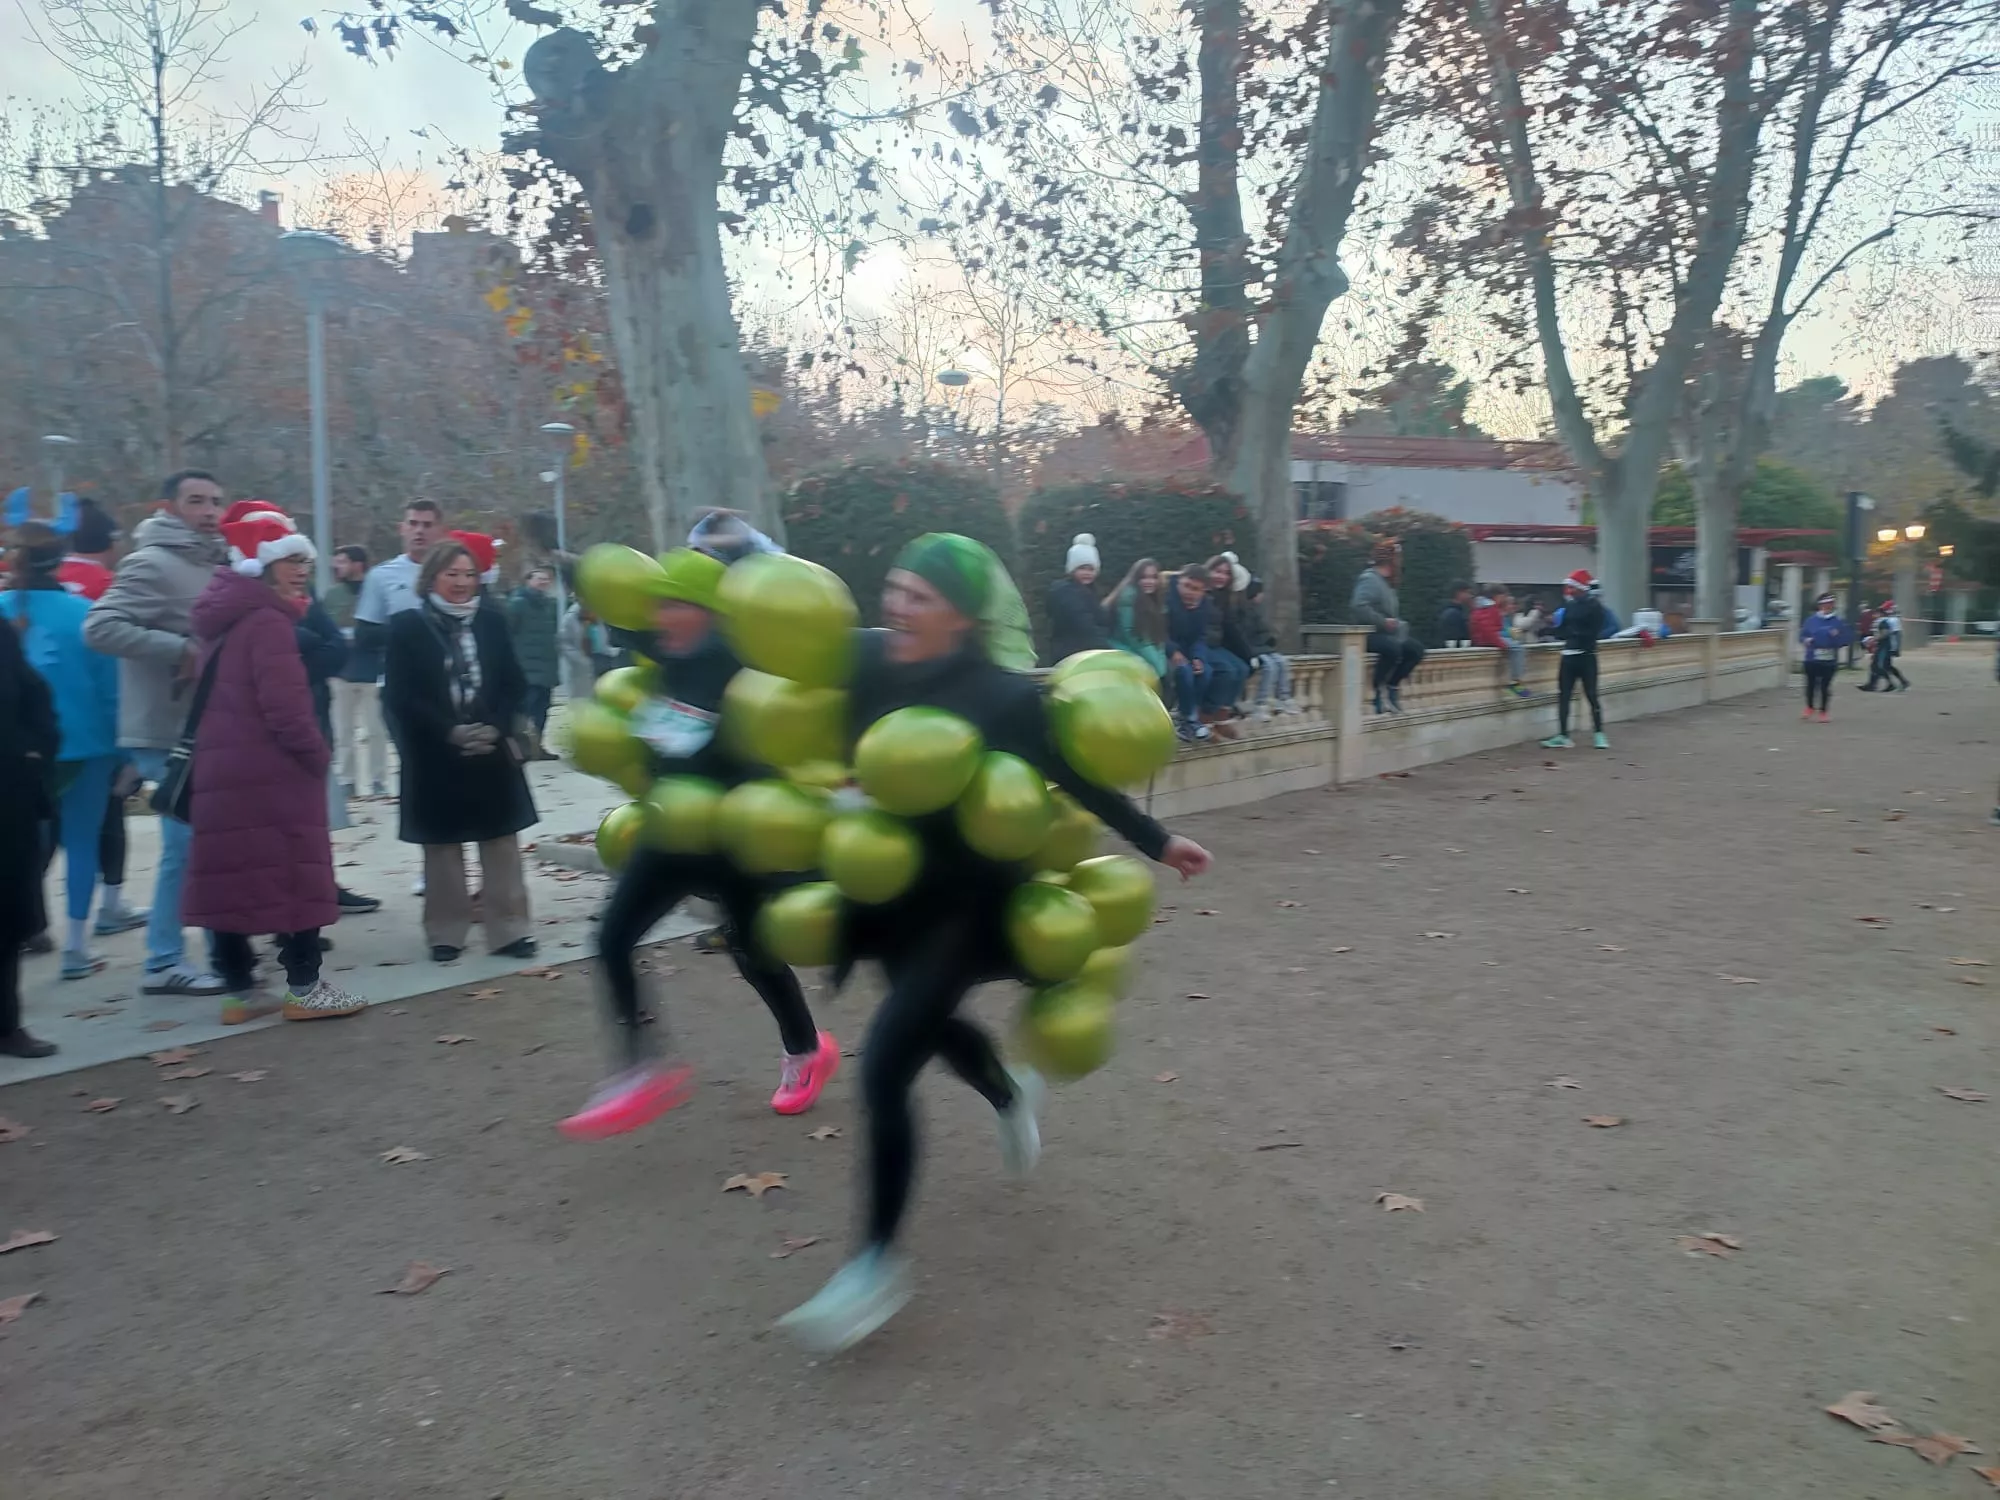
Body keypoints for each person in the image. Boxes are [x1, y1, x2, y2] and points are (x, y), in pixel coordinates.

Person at [776, 533, 1214, 1351]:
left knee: (888, 1062)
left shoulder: (1005, 697)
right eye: (896, 588)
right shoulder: (865, 661)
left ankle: (873, 1266)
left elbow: (1074, 776)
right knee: (935, 1028)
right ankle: (1010, 1096)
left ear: (963, 616)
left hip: (970, 900)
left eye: (920, 597)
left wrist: (1157, 841)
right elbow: (790, 683)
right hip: (885, 891)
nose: (897, 605)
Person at [559, 549, 837, 1138]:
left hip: (734, 837)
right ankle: (640, 1067)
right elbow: (616, 610)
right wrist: (568, 561)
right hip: (669, 832)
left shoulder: (739, 663)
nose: (661, 615)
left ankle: (807, 1051)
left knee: (754, 953)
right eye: (659, 603)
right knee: (610, 938)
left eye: (675, 604)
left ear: (710, 611)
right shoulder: (666, 648)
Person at [180, 506, 364, 1023]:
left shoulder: (221, 618)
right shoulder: (269, 622)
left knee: (230, 878)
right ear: (261, 566)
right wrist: (317, 755)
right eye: (289, 561)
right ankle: (305, 987)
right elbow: (286, 710)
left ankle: (240, 993)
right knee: (296, 877)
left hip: (222, 772)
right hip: (272, 774)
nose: (301, 570)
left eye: (304, 560)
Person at [82, 470, 230, 998]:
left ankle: (220, 951)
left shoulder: (216, 560)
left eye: (215, 501)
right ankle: (164, 960)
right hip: (166, 731)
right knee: (186, 845)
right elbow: (99, 627)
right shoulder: (150, 562)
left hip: (210, 724)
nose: (209, 510)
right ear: (168, 506)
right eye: (196, 501)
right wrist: (181, 649)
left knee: (207, 844)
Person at [383, 535, 539, 963]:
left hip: (491, 750)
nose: (461, 582)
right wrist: (447, 732)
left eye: (469, 574)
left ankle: (510, 931)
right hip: (435, 753)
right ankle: (445, 932)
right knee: (442, 848)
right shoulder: (407, 627)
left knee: (501, 842)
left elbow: (514, 682)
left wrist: (496, 726)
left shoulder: (492, 620)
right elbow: (400, 696)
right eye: (452, 574)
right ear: (431, 577)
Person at [1, 525, 123, 980]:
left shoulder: (2, 611)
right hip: (86, 744)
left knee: (20, 847)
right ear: (61, 561)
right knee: (82, 842)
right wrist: (123, 751)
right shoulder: (85, 614)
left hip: (13, 750)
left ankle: (23, 937)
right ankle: (76, 947)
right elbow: (111, 692)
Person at [50, 501, 146, 941]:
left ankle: (32, 922)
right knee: (104, 823)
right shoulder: (112, 588)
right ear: (109, 544)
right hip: (92, 732)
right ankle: (108, 907)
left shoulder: (28, 591)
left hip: (28, 735)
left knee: (40, 832)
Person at [0, 614, 59, 1057]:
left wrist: (34, 751)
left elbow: (32, 692)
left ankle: (6, 1024)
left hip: (7, 792)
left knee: (5, 916)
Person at [327, 544, 389, 796]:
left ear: (357, 564)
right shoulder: (332, 596)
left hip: (374, 672)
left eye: (341, 561)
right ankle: (347, 781)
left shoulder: (378, 592)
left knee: (376, 730)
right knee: (343, 731)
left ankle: (378, 780)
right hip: (341, 672)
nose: (336, 566)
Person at [1350, 541, 1426, 713]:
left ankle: (1393, 686)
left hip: (1387, 632)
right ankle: (1377, 691)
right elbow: (1358, 606)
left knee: (1415, 650)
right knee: (1392, 650)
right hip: (1369, 633)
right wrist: (1383, 621)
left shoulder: (1387, 584)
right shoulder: (1369, 579)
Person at [1162, 566, 1233, 741]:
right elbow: (1158, 631)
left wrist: (1198, 657)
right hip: (1165, 649)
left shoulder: (1203, 605)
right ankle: (1188, 720)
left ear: (1203, 591)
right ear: (1179, 581)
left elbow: (1200, 637)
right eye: (1186, 586)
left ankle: (1190, 718)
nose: (1189, 592)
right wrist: (1172, 651)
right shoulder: (1166, 598)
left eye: (1196, 589)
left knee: (1206, 671)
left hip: (1188, 652)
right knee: (1183, 671)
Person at [1542, 569, 1608, 750]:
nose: (1569, 591)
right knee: (1563, 696)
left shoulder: (1596, 608)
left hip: (1587, 656)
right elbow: (1563, 630)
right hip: (1569, 656)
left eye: (1572, 587)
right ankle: (1563, 735)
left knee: (1592, 695)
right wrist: (1549, 630)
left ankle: (1599, 733)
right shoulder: (1570, 607)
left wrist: (1572, 633)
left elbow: (1593, 633)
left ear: (1581, 588)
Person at [507, 565, 562, 755]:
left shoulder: (550, 605)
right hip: (526, 667)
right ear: (528, 580)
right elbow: (509, 633)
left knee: (543, 709)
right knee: (527, 709)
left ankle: (538, 745)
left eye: (546, 579)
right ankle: (523, 746)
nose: (543, 582)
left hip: (546, 667)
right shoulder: (517, 603)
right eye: (539, 578)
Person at [1044, 533, 1109, 664]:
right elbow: (1083, 624)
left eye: (1091, 569)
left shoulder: (1091, 591)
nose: (1087, 573)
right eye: (1082, 568)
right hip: (1072, 656)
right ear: (1072, 570)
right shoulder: (1066, 592)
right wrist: (1108, 650)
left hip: (1085, 653)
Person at [1104, 556, 1169, 685]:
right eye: (1144, 577)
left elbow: (1158, 637)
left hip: (1140, 649)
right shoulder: (1128, 599)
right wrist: (1157, 663)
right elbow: (1133, 636)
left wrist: (1160, 658)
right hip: (1122, 649)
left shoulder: (1156, 600)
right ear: (1135, 579)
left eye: (1153, 577)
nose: (1149, 581)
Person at [1240, 578, 1297, 718]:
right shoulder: (1244, 611)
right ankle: (1260, 703)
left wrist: (1269, 640)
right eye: (1261, 593)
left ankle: (1283, 699)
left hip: (1263, 647)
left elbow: (1262, 631)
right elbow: (1247, 635)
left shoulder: (1255, 610)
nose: (1263, 596)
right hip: (1253, 649)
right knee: (1270, 666)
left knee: (1282, 662)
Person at [1797, 592, 1850, 722]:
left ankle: (1823, 712)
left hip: (1829, 658)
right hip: (1812, 657)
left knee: (1825, 686)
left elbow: (1845, 640)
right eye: (1825, 604)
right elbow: (1801, 636)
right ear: (1820, 605)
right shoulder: (1810, 620)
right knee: (1810, 685)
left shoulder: (1838, 622)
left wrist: (1836, 636)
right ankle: (1809, 707)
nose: (1827, 607)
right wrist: (1806, 640)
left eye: (1830, 604)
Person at [1471, 587, 1532, 697]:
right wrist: (1501, 643)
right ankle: (1515, 682)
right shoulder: (1488, 608)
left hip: (1486, 638)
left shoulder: (1487, 607)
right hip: (1486, 639)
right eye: (1503, 596)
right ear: (1497, 596)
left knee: (1517, 647)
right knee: (1517, 648)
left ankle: (1516, 681)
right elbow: (1488, 629)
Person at [1861, 599, 1909, 692]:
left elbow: (1890, 634)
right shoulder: (1889, 620)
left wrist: (1874, 640)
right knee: (1885, 666)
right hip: (1885, 646)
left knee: (1878, 665)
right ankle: (1902, 682)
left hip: (1885, 646)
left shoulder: (1887, 621)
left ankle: (1877, 684)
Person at [1438, 582, 1474, 647]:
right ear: (1459, 593)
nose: (1470, 596)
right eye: (1468, 593)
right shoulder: (1454, 614)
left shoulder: (1449, 611)